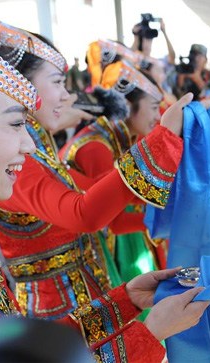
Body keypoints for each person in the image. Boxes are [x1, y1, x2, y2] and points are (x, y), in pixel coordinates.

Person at [0, 18, 209, 363]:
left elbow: (13, 352)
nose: (29, 146)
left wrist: (125, 302)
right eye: (16, 123)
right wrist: (149, 335)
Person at [0, 20, 191, 323]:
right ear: (20, 83)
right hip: (55, 311)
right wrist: (159, 144)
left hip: (79, 299)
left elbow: (92, 187)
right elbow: (84, 213)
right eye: (58, 83)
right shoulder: (16, 161)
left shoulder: (39, 149)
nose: (67, 95)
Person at [60, 61, 163, 290]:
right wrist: (166, 220)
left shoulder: (116, 138)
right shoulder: (95, 147)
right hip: (93, 255)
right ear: (126, 105)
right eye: (154, 107)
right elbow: (114, 221)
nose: (158, 116)